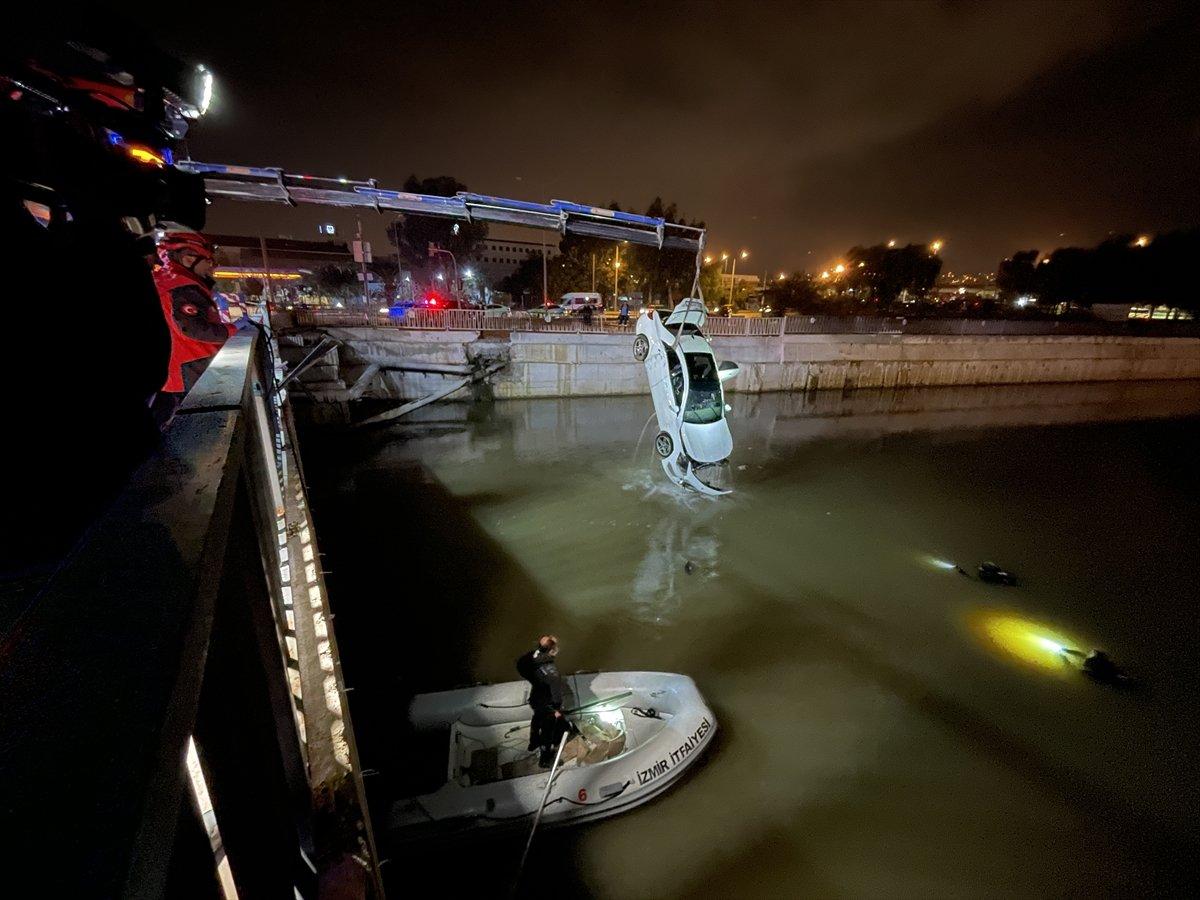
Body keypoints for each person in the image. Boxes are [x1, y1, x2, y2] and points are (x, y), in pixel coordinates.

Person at [151, 226, 235, 427]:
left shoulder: (167, 281)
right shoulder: (182, 287)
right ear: (189, 259)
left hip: (181, 375)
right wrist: (231, 331)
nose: (211, 269)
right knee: (197, 429)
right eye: (209, 261)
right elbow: (194, 329)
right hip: (189, 376)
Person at [516, 634, 567, 767]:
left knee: (537, 718)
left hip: (535, 698)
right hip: (547, 703)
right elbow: (556, 695)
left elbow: (520, 665)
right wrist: (557, 709)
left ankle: (533, 743)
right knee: (547, 730)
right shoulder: (552, 673)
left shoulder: (531, 658)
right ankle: (545, 759)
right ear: (553, 650)